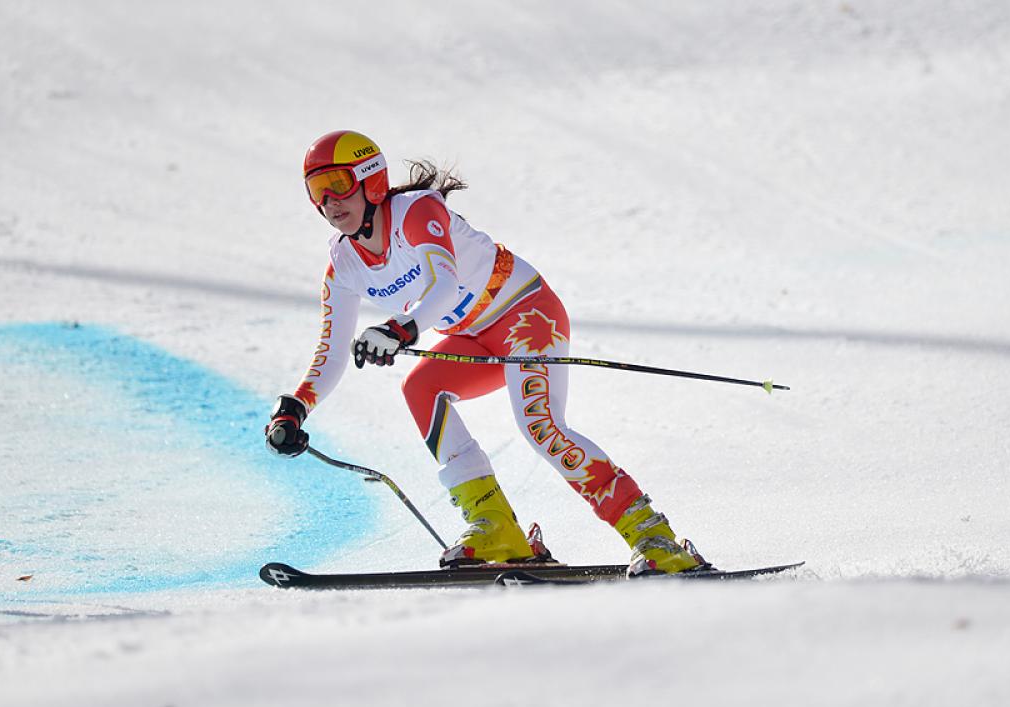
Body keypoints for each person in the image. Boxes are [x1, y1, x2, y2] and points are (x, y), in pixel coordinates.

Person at [265, 130, 710, 576]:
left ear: (371, 180)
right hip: (474, 338)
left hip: (525, 315)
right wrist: (296, 407)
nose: (329, 202)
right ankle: (496, 526)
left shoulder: (416, 212)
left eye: (337, 185)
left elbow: (446, 285)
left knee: (541, 426)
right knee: (421, 388)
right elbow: (331, 352)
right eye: (316, 192)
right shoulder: (343, 265)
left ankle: (655, 538)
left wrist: (402, 328)